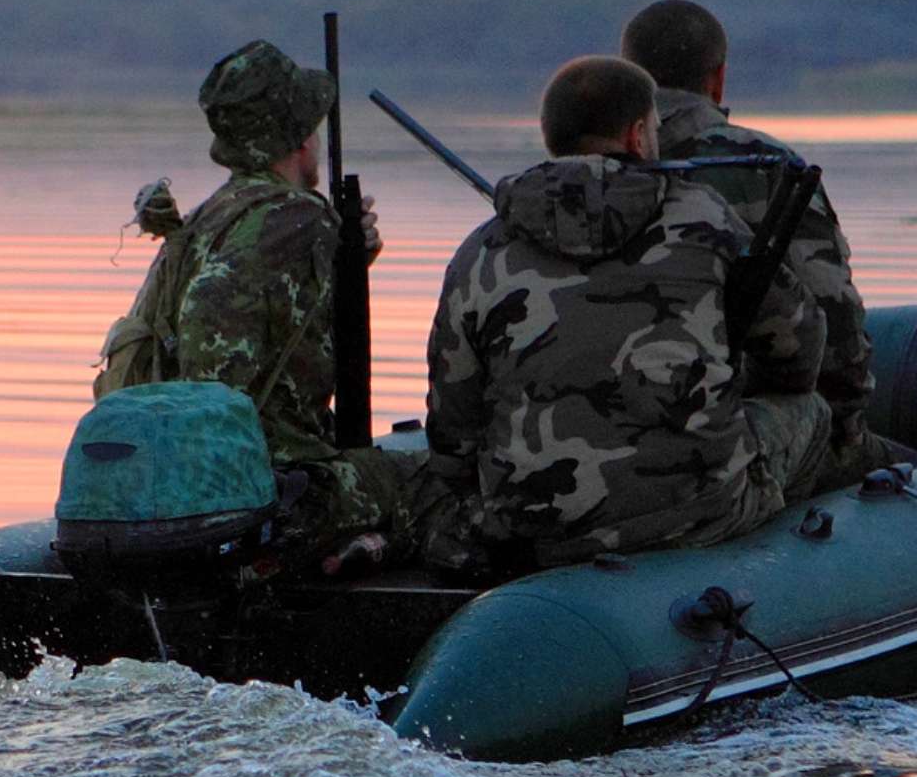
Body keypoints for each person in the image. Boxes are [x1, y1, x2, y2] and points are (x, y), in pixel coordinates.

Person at [417, 56, 856, 576]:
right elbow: (801, 349)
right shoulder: (705, 218)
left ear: (550, 138)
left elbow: (453, 429)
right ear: (638, 134)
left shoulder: (481, 249)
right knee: (810, 410)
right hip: (697, 516)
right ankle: (782, 574)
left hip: (537, 534)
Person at [93, 40, 407, 566]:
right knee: (431, 483)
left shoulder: (209, 217)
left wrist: (351, 261)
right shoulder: (302, 219)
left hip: (176, 477)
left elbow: (260, 316)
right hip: (263, 486)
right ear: (303, 139)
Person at [620, 0, 889, 477]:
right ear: (718, 77)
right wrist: (846, 432)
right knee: (910, 467)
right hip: (736, 443)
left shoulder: (586, 177)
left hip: (615, 438)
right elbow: (833, 316)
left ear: (627, 76)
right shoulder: (767, 166)